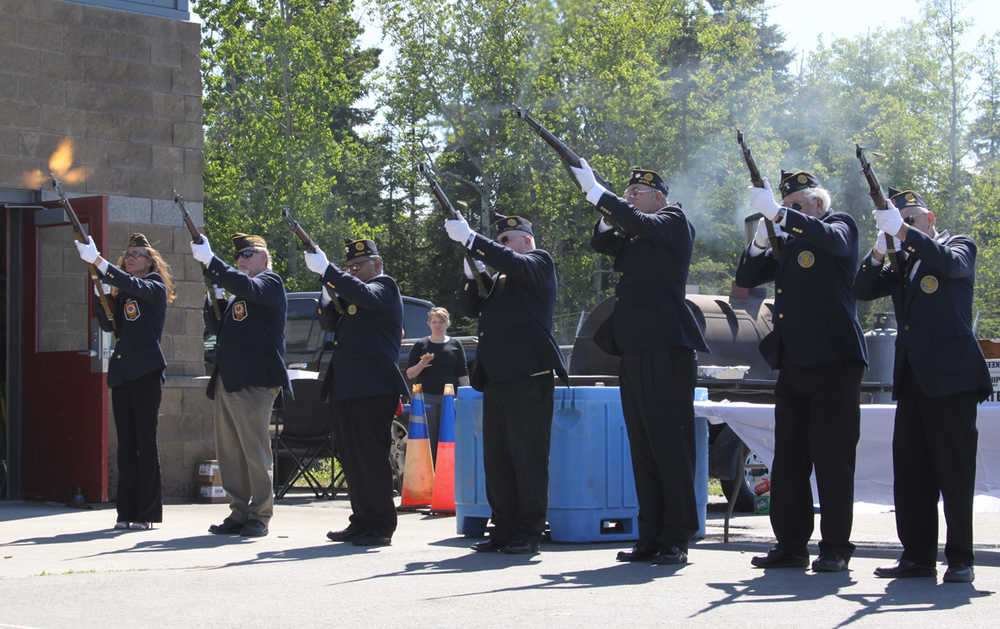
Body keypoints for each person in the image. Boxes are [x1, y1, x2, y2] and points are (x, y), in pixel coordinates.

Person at [569, 163, 709, 566]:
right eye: (626, 193)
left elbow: (635, 222)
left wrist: (601, 193)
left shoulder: (673, 221)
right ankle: (649, 534)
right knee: (643, 445)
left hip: (668, 348)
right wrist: (605, 207)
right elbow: (601, 242)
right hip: (635, 348)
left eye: (637, 194)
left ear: (658, 199)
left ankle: (677, 535)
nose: (629, 198)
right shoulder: (634, 231)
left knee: (670, 443)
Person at [735, 170, 868, 572]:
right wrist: (760, 241)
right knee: (789, 459)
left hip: (835, 361)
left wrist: (778, 213)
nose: (786, 214)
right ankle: (791, 545)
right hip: (794, 362)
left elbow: (834, 241)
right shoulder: (788, 242)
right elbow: (746, 280)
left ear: (817, 205)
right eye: (784, 205)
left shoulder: (838, 224)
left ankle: (835, 548)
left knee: (832, 458)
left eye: (795, 206)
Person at [857, 188, 992, 583]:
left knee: (954, 472)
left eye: (912, 219)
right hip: (914, 380)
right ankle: (917, 556)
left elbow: (950, 264)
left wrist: (904, 232)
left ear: (929, 218)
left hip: (953, 380)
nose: (906, 226)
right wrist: (880, 250)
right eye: (901, 220)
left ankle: (961, 558)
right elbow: (861, 290)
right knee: (912, 473)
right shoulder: (902, 261)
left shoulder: (957, 245)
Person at [444, 212, 567, 555]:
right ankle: (503, 526)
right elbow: (470, 307)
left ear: (526, 240)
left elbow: (511, 262)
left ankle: (528, 531)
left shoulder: (538, 263)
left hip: (529, 377)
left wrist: (473, 241)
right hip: (497, 379)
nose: (500, 246)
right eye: (498, 241)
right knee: (497, 458)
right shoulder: (498, 279)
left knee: (527, 457)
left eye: (505, 240)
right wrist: (471, 272)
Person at [303, 238, 409, 547]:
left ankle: (380, 525)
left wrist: (331, 271)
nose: (352, 270)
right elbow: (328, 322)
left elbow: (363, 294)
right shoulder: (354, 295)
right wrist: (326, 285)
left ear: (376, 264)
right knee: (351, 458)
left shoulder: (384, 287)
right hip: (347, 387)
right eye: (348, 266)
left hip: (373, 388)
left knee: (371, 458)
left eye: (358, 266)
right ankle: (361, 519)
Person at [191, 233, 289, 538]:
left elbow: (246, 285)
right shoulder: (239, 293)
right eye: (239, 257)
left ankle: (260, 514)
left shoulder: (270, 283)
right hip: (229, 378)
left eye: (248, 254)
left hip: (255, 380)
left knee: (254, 451)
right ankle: (238, 511)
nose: (241, 260)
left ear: (264, 257)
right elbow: (220, 329)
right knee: (230, 451)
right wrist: (213, 299)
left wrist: (211, 261)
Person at [75, 233, 174, 530]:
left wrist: (100, 262)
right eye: (127, 254)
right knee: (127, 445)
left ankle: (147, 513)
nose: (130, 258)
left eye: (137, 254)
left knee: (145, 441)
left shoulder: (154, 286)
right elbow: (110, 323)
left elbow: (135, 286)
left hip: (146, 372)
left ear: (150, 261)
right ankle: (126, 512)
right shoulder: (126, 292)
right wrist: (100, 292)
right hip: (123, 373)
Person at [406, 307, 470, 462]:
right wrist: (422, 364)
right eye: (434, 322)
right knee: (429, 438)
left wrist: (466, 399)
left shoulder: (455, 344)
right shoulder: (421, 345)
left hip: (449, 399)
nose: (437, 325)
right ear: (429, 324)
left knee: (449, 437)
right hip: (426, 398)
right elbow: (410, 374)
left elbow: (463, 374)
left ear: (447, 323)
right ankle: (431, 475)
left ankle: (449, 473)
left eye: (441, 322)